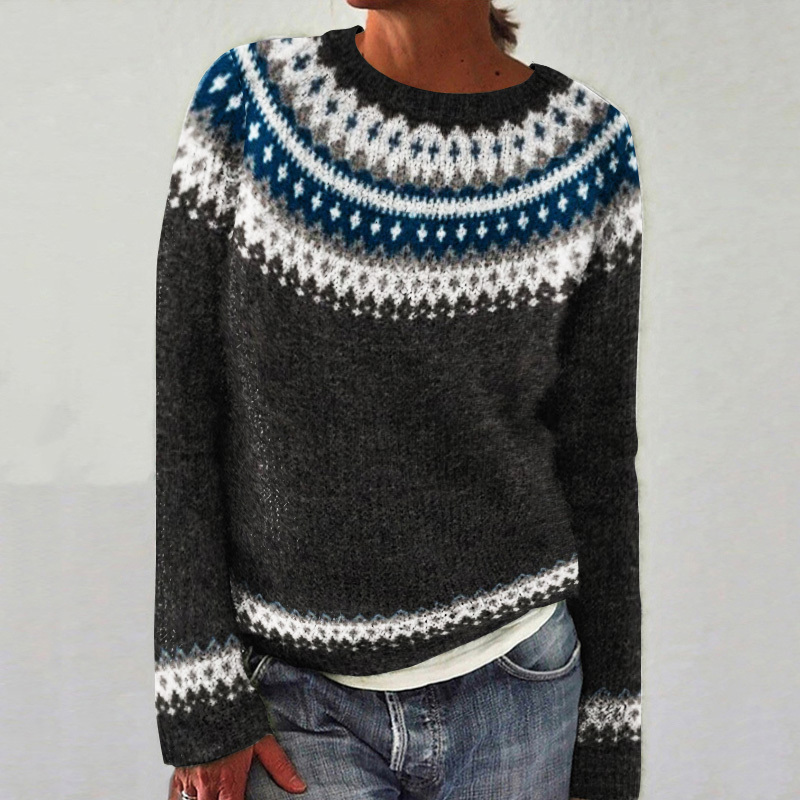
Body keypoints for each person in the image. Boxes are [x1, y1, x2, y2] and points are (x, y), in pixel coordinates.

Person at [154, 2, 644, 799]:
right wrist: (200, 695)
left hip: (520, 691)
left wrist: (609, 744)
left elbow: (598, 459)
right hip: (293, 701)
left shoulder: (586, 149)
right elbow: (184, 415)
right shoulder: (251, 103)